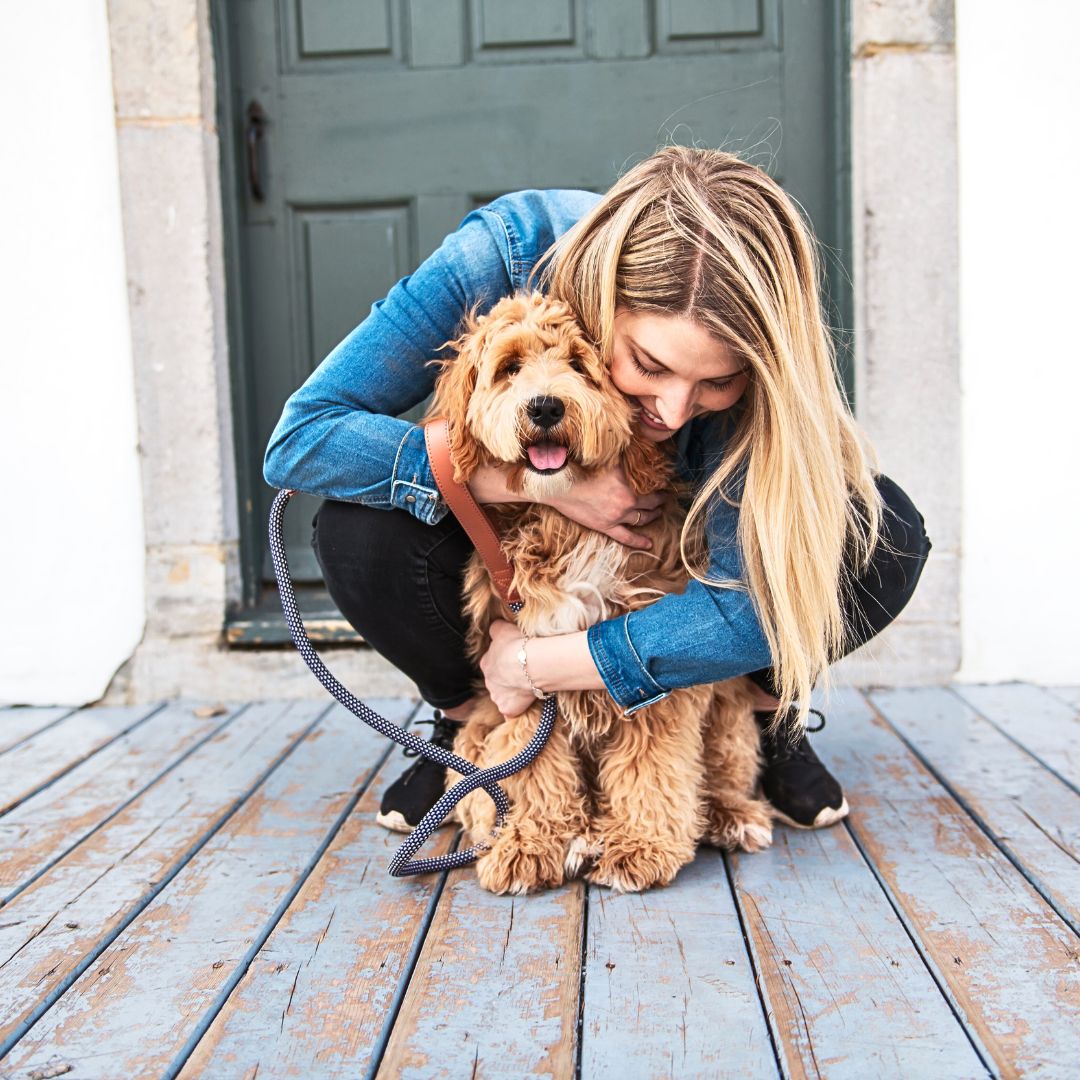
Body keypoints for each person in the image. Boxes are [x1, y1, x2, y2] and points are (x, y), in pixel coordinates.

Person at [263, 146, 931, 836]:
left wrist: (535, 663)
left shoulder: (754, 383)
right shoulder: (501, 254)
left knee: (880, 535)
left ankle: (762, 716)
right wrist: (541, 486)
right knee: (357, 534)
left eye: (716, 382)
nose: (674, 411)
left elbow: (743, 608)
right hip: (522, 549)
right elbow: (302, 439)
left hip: (667, 570)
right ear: (604, 299)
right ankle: (471, 722)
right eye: (649, 364)